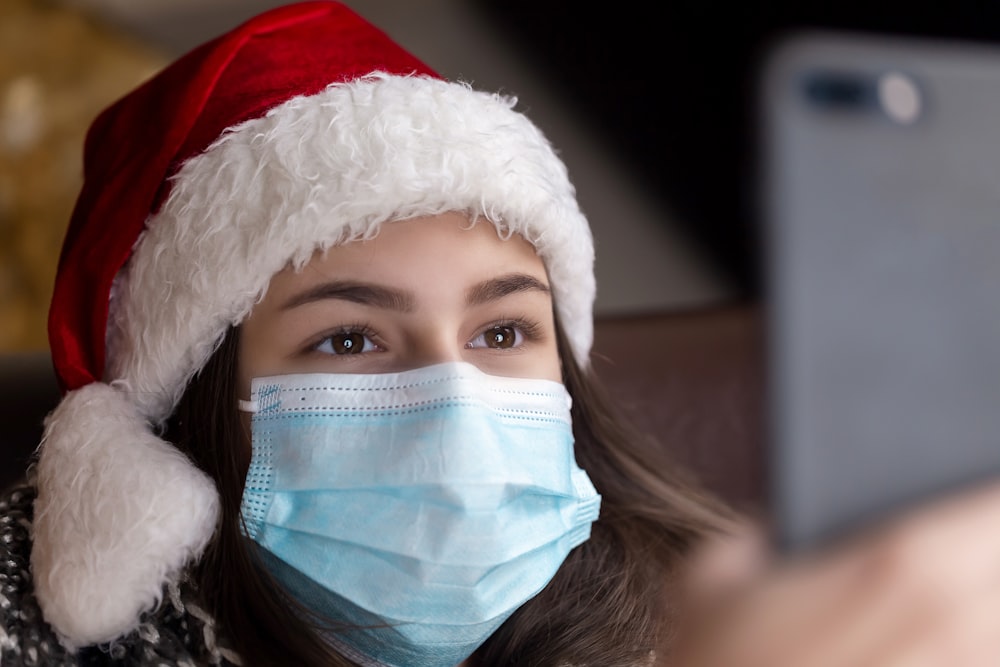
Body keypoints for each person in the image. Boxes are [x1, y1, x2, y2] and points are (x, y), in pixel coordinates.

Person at [3, 2, 1000, 666]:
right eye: (349, 339)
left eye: (503, 328)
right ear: (192, 419)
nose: (456, 397)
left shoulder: (726, 609)